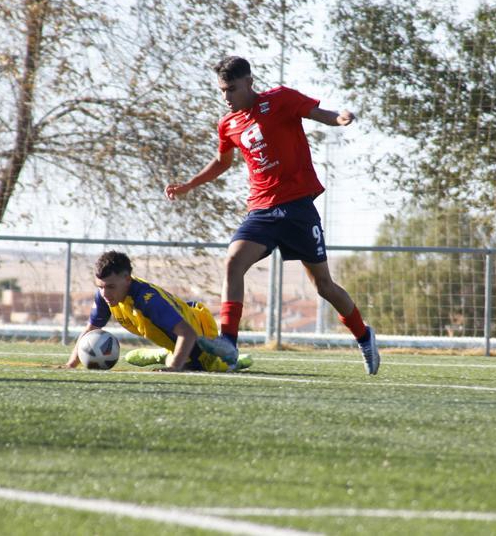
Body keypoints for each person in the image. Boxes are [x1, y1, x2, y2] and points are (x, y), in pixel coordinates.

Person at [165, 56, 380, 375]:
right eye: (222, 90)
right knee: (233, 261)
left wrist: (340, 118)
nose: (226, 97)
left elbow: (319, 114)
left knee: (323, 286)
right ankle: (229, 343)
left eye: (232, 89)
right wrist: (189, 185)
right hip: (262, 209)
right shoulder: (228, 124)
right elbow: (222, 162)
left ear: (250, 83)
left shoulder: (280, 99)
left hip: (297, 208)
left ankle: (364, 336)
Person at [63, 251, 252, 372]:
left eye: (110, 287)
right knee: (178, 355)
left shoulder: (148, 300)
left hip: (198, 334)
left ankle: (234, 359)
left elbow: (187, 334)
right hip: (181, 333)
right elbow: (91, 328)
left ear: (127, 280)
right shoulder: (106, 294)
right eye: (100, 286)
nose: (104, 293)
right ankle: (166, 353)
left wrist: (174, 368)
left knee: (208, 366)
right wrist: (71, 364)